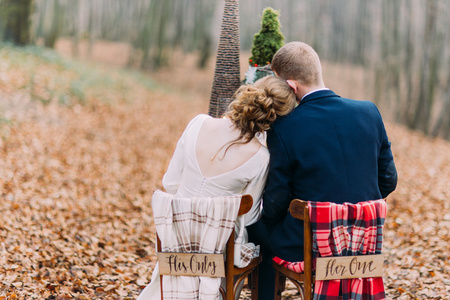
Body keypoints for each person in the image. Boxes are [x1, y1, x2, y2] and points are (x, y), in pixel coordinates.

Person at [246, 42, 398, 299]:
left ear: (291, 86)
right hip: (365, 243)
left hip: (309, 246)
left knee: (257, 229)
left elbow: (276, 200)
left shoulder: (285, 127)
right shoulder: (369, 112)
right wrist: (353, 213)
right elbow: (388, 180)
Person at [137, 76, 297, 300]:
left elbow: (171, 183)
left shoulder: (198, 123)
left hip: (176, 239)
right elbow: (248, 216)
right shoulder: (261, 158)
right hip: (218, 249)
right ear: (274, 119)